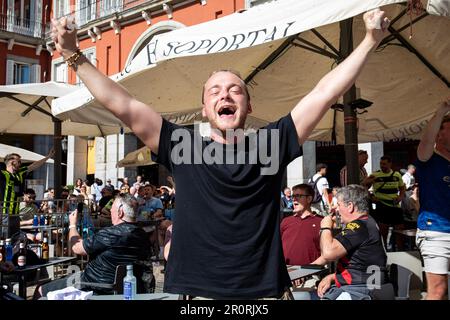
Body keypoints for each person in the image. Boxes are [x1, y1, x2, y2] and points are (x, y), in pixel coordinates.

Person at [51, 9, 391, 299]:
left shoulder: (271, 143)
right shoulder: (181, 145)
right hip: (197, 292)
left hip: (264, 293)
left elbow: (324, 91)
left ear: (247, 104)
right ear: (204, 109)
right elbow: (122, 103)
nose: (224, 94)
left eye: (235, 90)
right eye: (215, 90)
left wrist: (370, 41)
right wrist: (72, 54)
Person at [36, 193, 153, 297]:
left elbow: (77, 248)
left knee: (40, 290)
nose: (110, 211)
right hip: (127, 288)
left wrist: (72, 224)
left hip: (94, 285)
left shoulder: (109, 234)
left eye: (112, 208)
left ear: (120, 212)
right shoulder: (143, 235)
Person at [317, 185, 387, 300]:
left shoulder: (359, 226)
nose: (336, 209)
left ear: (350, 206)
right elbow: (359, 265)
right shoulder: (367, 222)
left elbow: (328, 253)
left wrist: (325, 227)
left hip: (360, 290)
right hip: (364, 285)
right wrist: (332, 277)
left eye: (338, 204)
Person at [415, 98, 450, 300]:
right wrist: (441, 112)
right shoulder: (429, 157)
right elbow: (426, 141)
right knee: (437, 291)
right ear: (439, 134)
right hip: (435, 231)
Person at [1, 149, 54, 238]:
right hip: (5, 213)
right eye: (19, 161)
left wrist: (47, 157)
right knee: (5, 238)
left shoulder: (20, 173)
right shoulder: (3, 174)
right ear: (12, 162)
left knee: (15, 237)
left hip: (16, 213)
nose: (20, 163)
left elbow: (34, 165)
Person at [364, 155, 405, 251]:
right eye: (381, 164)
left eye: (384, 164)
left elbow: (402, 187)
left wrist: (400, 197)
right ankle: (384, 252)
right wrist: (371, 197)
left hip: (395, 206)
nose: (382, 166)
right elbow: (364, 185)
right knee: (383, 232)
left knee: (400, 231)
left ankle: (401, 252)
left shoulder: (396, 174)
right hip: (382, 206)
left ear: (390, 164)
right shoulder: (375, 174)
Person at [280, 184, 326, 266]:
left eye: (298, 196)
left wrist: (307, 271)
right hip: (285, 273)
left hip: (310, 274)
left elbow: (327, 253)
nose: (294, 199)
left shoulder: (322, 222)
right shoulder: (285, 221)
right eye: (293, 196)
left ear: (309, 199)